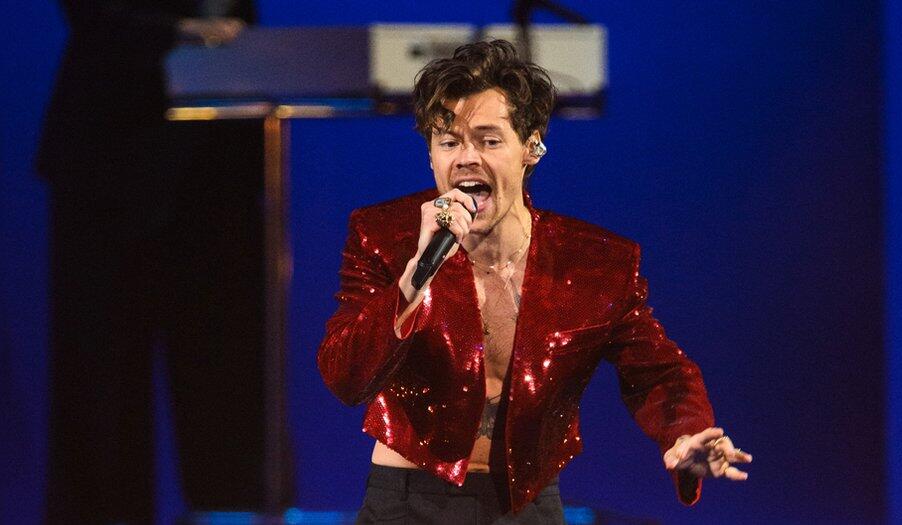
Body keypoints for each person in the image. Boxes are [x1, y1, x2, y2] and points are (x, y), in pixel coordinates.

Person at [317, 40, 751, 524]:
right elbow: (345, 377)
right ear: (431, 156)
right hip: (406, 500)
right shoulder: (385, 236)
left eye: (488, 140)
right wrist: (416, 275)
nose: (466, 158)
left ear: (531, 147)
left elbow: (659, 372)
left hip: (527, 505)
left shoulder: (594, 264)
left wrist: (685, 432)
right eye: (449, 142)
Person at [37, 1, 293, 523]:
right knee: (102, 371)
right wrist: (179, 31)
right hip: (110, 150)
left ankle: (234, 509)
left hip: (217, 157)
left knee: (227, 369)